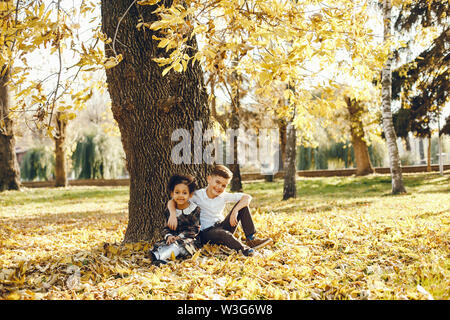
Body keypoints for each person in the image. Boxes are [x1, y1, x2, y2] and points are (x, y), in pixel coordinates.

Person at [167, 165, 272, 256]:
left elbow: (247, 197)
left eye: (223, 185)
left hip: (222, 225)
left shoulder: (224, 196)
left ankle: (251, 239)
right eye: (217, 182)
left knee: (242, 207)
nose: (219, 187)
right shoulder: (197, 195)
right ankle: (244, 250)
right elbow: (173, 201)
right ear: (209, 179)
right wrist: (172, 214)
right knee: (222, 233)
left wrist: (235, 211)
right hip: (206, 233)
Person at [149, 174, 201, 266]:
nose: (180, 195)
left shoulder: (194, 210)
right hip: (172, 238)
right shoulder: (169, 210)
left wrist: (179, 237)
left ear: (190, 195)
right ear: (172, 193)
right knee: (161, 244)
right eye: (177, 192)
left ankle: (161, 257)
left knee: (180, 245)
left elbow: (194, 230)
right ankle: (158, 256)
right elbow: (165, 227)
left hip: (188, 239)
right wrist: (168, 236)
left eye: (184, 193)